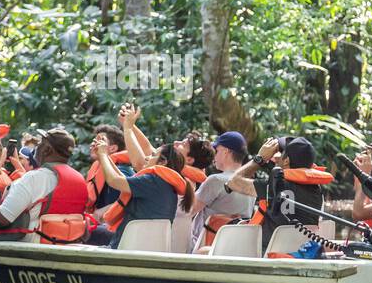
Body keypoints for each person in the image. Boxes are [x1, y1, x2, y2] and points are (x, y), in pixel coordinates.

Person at [87, 105, 194, 247]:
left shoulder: (153, 181)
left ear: (163, 162)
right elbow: (126, 178)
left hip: (126, 249)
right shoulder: (166, 184)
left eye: (153, 155)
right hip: (144, 249)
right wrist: (105, 156)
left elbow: (114, 180)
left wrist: (102, 154)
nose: (147, 158)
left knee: (83, 231)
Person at [0, 128, 91, 243]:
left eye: (40, 143)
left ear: (47, 150)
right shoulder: (79, 178)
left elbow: (3, 218)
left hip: (30, 239)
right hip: (66, 239)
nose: (37, 147)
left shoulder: (34, 177)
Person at [225, 136, 333, 249]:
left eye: (281, 154)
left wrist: (259, 158)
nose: (276, 158)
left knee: (205, 250)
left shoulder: (276, 186)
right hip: (299, 253)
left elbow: (233, 182)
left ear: (286, 160)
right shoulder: (317, 191)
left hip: (266, 254)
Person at [188, 131, 255, 253]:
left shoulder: (216, 180)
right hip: (235, 250)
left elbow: (188, 210)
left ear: (226, 151)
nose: (214, 155)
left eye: (217, 150)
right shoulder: (251, 184)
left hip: (205, 249)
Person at [84, 123, 133, 215]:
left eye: (100, 140)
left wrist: (95, 216)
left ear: (113, 148)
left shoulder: (122, 170)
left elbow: (127, 202)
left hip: (115, 227)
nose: (93, 143)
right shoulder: (97, 169)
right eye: (94, 140)